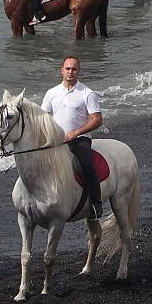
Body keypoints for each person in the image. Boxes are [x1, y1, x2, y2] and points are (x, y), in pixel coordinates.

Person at [41, 57, 103, 218]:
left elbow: (97, 120)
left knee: (86, 164)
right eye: (67, 69)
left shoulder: (87, 93)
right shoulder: (51, 93)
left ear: (78, 71)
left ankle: (96, 203)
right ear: (61, 70)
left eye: (74, 69)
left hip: (79, 139)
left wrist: (76, 133)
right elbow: (43, 117)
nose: (70, 72)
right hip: (56, 140)